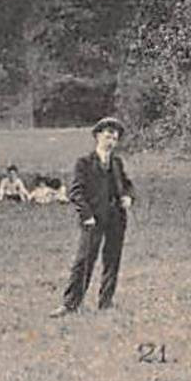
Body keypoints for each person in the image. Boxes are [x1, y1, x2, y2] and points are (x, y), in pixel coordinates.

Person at [50, 117, 136, 315]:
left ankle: (106, 301)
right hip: (93, 219)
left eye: (115, 138)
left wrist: (128, 197)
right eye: (107, 136)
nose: (111, 141)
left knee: (112, 260)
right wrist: (86, 215)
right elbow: (76, 192)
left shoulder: (117, 162)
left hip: (116, 218)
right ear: (97, 136)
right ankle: (70, 304)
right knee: (84, 260)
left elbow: (127, 184)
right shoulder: (84, 163)